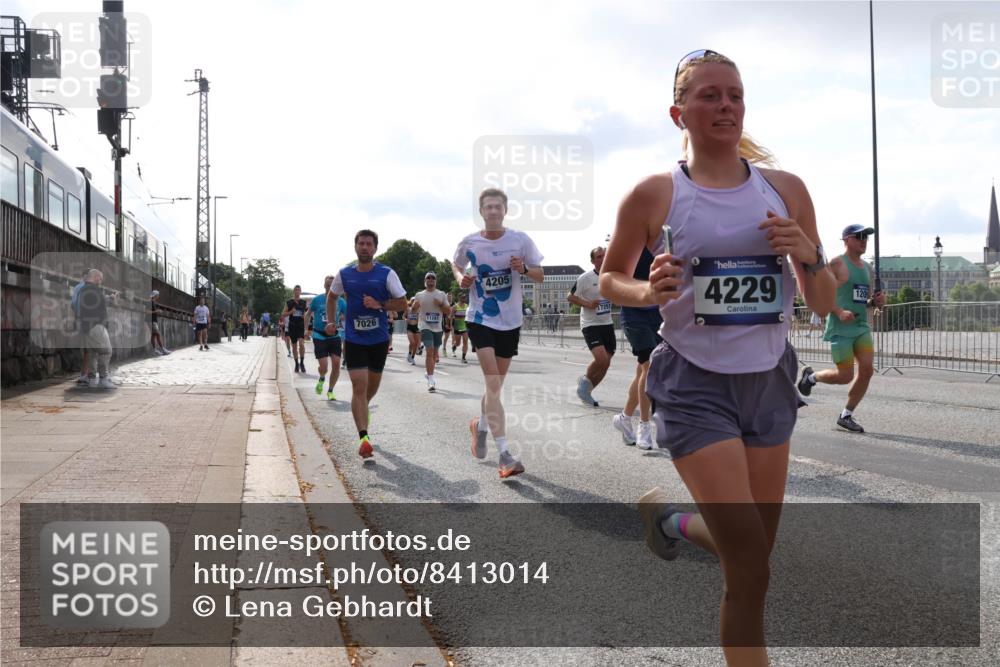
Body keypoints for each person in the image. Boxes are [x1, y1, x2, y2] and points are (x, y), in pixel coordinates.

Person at [598, 50, 834, 666]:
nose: (725, 105)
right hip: (694, 385)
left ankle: (672, 524)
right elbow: (609, 280)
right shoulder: (655, 194)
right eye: (709, 95)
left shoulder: (786, 190)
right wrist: (649, 290)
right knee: (750, 565)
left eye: (734, 94)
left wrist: (808, 253)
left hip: (770, 381)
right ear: (680, 112)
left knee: (754, 550)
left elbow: (824, 302)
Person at [453, 187, 544, 479]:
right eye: (487, 207)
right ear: (481, 211)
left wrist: (525, 267)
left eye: (497, 207)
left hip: (510, 321)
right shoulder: (470, 242)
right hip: (480, 318)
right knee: (492, 384)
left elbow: (540, 275)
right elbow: (456, 265)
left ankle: (478, 426)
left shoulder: (520, 240)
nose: (493, 211)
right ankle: (504, 454)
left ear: (505, 210)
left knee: (495, 388)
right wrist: (462, 278)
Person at [326, 230, 407, 459]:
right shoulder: (345, 274)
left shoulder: (386, 274)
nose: (364, 247)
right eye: (361, 243)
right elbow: (333, 296)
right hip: (354, 339)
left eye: (368, 244)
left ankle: (362, 408)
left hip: (379, 340)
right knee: (359, 388)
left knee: (370, 389)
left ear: (375, 248)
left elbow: (403, 304)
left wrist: (379, 304)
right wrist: (331, 321)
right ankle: (364, 438)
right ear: (355, 247)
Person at [797, 223, 885, 433]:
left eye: (866, 237)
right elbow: (820, 294)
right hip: (840, 328)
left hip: (861, 326)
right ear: (846, 240)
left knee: (867, 370)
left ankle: (846, 415)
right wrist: (838, 311)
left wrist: (876, 302)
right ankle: (810, 377)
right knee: (844, 376)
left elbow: (865, 301)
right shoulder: (836, 264)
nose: (864, 240)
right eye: (859, 236)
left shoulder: (868, 270)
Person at [612, 245, 664, 450]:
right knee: (648, 366)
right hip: (634, 313)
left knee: (643, 370)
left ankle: (624, 417)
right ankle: (644, 425)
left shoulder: (665, 239)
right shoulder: (628, 241)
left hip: (659, 311)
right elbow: (612, 280)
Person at [568, 246, 615, 407]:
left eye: (605, 255)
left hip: (607, 323)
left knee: (606, 363)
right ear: (593, 261)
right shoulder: (585, 278)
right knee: (601, 359)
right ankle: (585, 381)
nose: (603, 258)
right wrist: (588, 304)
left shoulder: (612, 276)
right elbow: (570, 297)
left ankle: (586, 391)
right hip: (590, 323)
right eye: (599, 256)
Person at [76, 269, 119, 389]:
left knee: (92, 353)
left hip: (87, 326)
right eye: (100, 279)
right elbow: (101, 302)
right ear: (96, 277)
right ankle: (103, 379)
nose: (101, 281)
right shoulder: (93, 289)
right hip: (96, 326)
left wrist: (108, 297)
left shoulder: (84, 289)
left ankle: (91, 378)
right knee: (106, 351)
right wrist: (112, 298)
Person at [411, 272, 452, 392]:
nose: (430, 280)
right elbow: (413, 311)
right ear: (425, 281)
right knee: (429, 351)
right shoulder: (419, 295)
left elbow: (448, 311)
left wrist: (440, 305)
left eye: (433, 278)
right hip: (424, 325)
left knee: (434, 354)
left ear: (435, 281)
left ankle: (429, 373)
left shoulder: (441, 294)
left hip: (437, 327)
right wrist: (414, 307)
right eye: (428, 278)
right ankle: (431, 379)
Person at [308, 275, 346, 399]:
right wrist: (305, 330)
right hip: (319, 335)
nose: (330, 287)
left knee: (336, 363)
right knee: (323, 366)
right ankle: (322, 377)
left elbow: (349, 315)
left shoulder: (341, 301)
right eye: (328, 284)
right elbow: (307, 314)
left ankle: (330, 391)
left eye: (332, 284)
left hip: (335, 335)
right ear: (324, 285)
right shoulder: (317, 300)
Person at [71, 269, 93, 386]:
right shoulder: (86, 288)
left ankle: (86, 373)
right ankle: (84, 374)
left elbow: (73, 305)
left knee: (86, 348)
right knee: (87, 349)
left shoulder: (77, 287)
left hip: (79, 319)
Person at [282, 285, 309, 372]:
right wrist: (291, 312)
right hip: (292, 326)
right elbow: (283, 314)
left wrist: (306, 328)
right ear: (293, 291)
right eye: (296, 290)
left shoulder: (303, 302)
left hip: (300, 326)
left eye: (299, 290)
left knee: (301, 344)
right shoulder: (289, 302)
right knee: (294, 346)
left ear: (301, 291)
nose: (297, 292)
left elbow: (306, 315)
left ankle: (302, 362)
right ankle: (296, 364)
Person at [148, 290, 171, 355]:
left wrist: (157, 312)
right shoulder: (150, 302)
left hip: (153, 321)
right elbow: (147, 311)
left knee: (154, 335)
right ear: (155, 295)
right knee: (158, 335)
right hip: (151, 321)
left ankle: (155, 350)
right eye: (158, 295)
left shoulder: (153, 302)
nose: (158, 296)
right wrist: (156, 311)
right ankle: (163, 349)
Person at [451, 292, 470, 363]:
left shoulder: (467, 306)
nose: (464, 298)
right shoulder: (455, 307)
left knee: (465, 341)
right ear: (459, 298)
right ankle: (454, 346)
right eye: (462, 297)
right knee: (458, 343)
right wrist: (450, 326)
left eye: (465, 297)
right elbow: (451, 317)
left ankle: (463, 358)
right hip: (457, 327)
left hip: (465, 327)